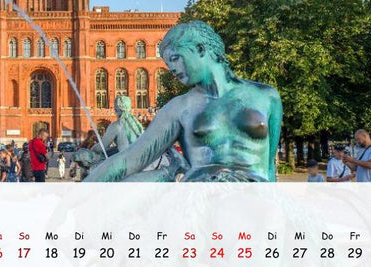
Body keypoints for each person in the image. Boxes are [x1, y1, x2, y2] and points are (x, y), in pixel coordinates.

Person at [85, 21, 282, 182]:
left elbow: (269, 166)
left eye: (175, 58)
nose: (171, 68)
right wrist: (76, 197)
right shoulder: (179, 108)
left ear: (200, 49)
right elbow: (128, 160)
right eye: (168, 63)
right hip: (201, 203)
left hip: (256, 203)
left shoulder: (267, 97)